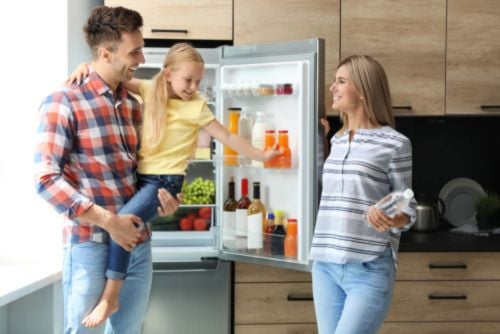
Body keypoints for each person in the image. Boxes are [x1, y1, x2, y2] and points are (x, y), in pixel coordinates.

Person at [68, 42, 280, 327]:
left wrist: (262, 156)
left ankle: (111, 295)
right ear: (167, 74)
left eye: (198, 81)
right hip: (142, 179)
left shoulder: (197, 108)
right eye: (188, 80)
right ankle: (111, 295)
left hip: (165, 182)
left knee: (122, 225)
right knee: (126, 227)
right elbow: (112, 76)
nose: (193, 87)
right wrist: (86, 67)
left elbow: (228, 138)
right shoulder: (148, 90)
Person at [34, 6, 181, 333]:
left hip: (137, 245)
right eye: (134, 52)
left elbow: (141, 175)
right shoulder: (64, 101)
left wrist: (164, 200)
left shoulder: (132, 105)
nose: (141, 60)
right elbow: (45, 179)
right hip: (90, 245)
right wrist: (109, 222)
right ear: (104, 53)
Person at [309, 55, 416, 334]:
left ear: (365, 90)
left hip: (368, 267)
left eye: (341, 81)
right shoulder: (338, 139)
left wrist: (390, 216)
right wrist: (322, 141)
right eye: (335, 81)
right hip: (325, 264)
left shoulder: (395, 143)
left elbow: (406, 201)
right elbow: (335, 188)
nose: (333, 87)